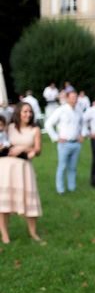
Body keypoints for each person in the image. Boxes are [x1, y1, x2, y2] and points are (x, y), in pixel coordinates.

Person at [0, 103, 43, 243]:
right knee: (4, 204)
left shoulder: (35, 129)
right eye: (25, 111)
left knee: (30, 202)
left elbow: (38, 150)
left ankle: (33, 233)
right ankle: (5, 235)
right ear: (18, 112)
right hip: (6, 169)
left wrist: (22, 148)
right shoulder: (10, 128)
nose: (28, 114)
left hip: (24, 169)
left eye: (30, 112)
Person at [44, 90, 84, 194]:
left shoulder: (79, 110)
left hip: (76, 143)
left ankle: (72, 187)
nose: (74, 99)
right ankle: (60, 189)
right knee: (62, 167)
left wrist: (81, 134)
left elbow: (82, 124)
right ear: (67, 98)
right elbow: (48, 124)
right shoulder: (61, 110)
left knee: (73, 167)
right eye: (72, 97)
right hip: (64, 144)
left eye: (76, 97)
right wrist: (56, 137)